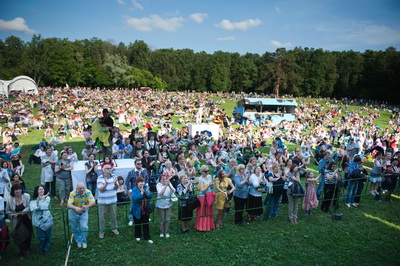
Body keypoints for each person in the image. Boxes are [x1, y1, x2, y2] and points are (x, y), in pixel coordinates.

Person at [6, 184, 32, 259]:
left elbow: (29, 206)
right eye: (16, 190)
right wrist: (13, 215)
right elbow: (7, 210)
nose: (18, 191)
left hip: (26, 218)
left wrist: (21, 213)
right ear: (13, 191)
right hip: (16, 220)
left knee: (28, 234)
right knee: (19, 235)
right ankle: (22, 251)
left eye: (19, 189)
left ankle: (27, 248)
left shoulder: (26, 196)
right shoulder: (9, 199)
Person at [67, 182, 96, 248]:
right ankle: (78, 240)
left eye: (83, 188)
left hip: (83, 211)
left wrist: (87, 206)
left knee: (84, 227)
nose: (82, 190)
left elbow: (93, 202)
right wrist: (76, 208)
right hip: (73, 212)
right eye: (80, 188)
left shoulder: (87, 192)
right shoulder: (72, 193)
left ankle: (83, 241)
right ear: (77, 189)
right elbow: (69, 204)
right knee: (75, 227)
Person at [97, 165, 119, 238]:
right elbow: (100, 189)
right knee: (102, 217)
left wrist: (115, 183)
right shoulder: (100, 178)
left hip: (112, 200)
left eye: (110, 168)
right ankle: (101, 231)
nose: (109, 170)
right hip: (103, 201)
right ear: (103, 170)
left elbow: (117, 187)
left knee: (113, 215)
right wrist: (106, 184)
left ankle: (114, 228)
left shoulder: (114, 176)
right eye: (107, 168)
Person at [30, 185, 53, 256]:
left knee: (47, 235)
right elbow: (32, 208)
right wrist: (38, 200)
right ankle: (42, 247)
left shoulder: (47, 198)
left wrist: (39, 203)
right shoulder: (33, 200)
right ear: (36, 191)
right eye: (39, 190)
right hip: (37, 220)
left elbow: (44, 207)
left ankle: (46, 248)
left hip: (46, 219)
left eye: (42, 189)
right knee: (41, 236)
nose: (41, 191)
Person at [130, 177, 153, 244]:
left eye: (143, 182)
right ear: (137, 183)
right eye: (141, 182)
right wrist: (141, 193)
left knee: (145, 224)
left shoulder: (146, 187)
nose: (142, 183)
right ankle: (138, 235)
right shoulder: (134, 189)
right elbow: (134, 198)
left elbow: (150, 196)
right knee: (137, 223)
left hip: (145, 209)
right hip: (137, 210)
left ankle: (147, 237)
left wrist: (147, 192)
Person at [195, 165, 215, 231]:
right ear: (202, 171)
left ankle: (209, 225)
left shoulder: (209, 176)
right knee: (202, 211)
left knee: (209, 210)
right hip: (203, 197)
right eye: (205, 171)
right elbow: (202, 190)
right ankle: (202, 226)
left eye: (208, 171)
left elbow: (211, 187)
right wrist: (208, 185)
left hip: (209, 195)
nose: (207, 172)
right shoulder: (200, 179)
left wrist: (212, 185)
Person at [156, 173, 176, 238]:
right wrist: (165, 185)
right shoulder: (158, 185)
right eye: (163, 179)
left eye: (165, 179)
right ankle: (162, 232)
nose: (164, 180)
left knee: (167, 219)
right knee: (162, 219)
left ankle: (166, 232)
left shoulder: (169, 184)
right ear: (160, 180)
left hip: (168, 204)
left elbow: (174, 191)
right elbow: (160, 193)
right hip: (160, 205)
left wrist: (169, 185)